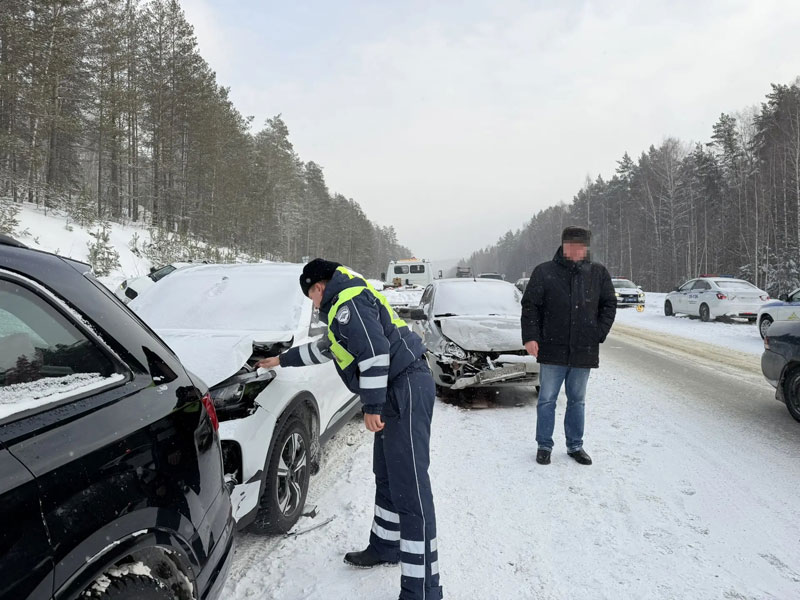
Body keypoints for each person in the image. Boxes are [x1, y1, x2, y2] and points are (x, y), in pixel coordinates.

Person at [257, 258, 442, 600]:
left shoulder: (347, 302)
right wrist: (280, 360)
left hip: (406, 387)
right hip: (394, 388)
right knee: (387, 474)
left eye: (310, 296)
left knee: (411, 485)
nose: (312, 305)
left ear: (318, 287)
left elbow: (375, 354)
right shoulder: (343, 307)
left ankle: (424, 588)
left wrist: (371, 406)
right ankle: (386, 546)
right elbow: (326, 349)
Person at [520, 226, 616, 466]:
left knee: (577, 400)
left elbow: (609, 305)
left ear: (586, 248)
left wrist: (598, 333)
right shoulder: (544, 272)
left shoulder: (598, 273)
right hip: (552, 349)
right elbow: (530, 306)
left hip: (584, 350)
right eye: (571, 245)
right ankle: (544, 445)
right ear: (563, 245)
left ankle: (575, 445)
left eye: (580, 246)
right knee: (547, 399)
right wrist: (531, 337)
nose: (575, 250)